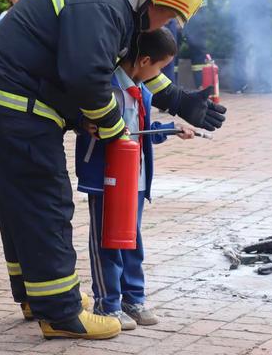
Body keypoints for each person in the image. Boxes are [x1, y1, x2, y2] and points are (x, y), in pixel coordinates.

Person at [0, 0, 226, 340]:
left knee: (19, 203)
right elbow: (87, 78)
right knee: (44, 201)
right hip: (15, 106)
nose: (164, 24)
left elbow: (127, 61)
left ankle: (38, 295)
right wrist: (114, 127)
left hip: (4, 99)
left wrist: (177, 100)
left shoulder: (112, 0)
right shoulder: (103, 6)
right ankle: (62, 314)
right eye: (169, 13)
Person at [75, 28, 195, 330]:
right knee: (107, 241)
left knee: (131, 240)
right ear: (143, 60)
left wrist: (169, 129)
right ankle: (107, 303)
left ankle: (133, 298)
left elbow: (139, 129)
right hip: (106, 180)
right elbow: (88, 125)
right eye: (160, 67)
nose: (161, 73)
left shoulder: (141, 90)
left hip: (135, 180)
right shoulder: (105, 89)